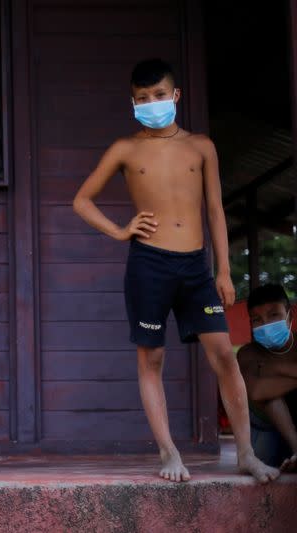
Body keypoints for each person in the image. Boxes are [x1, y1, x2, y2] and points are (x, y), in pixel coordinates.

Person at [72, 58, 279, 483]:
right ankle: (169, 454)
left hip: (196, 267)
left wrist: (224, 270)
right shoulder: (125, 149)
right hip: (149, 264)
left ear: (176, 96)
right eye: (143, 99)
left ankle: (245, 453)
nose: (153, 104)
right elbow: (82, 200)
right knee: (152, 359)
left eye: (160, 96)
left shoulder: (201, 146)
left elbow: (217, 211)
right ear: (133, 102)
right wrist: (119, 230)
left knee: (224, 355)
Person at [237, 284, 297, 471]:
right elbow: (257, 391)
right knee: (268, 395)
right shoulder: (247, 353)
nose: (265, 325)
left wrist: (275, 371)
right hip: (265, 425)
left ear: (290, 315)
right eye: (257, 319)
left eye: (273, 315)